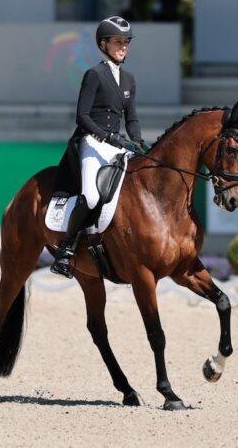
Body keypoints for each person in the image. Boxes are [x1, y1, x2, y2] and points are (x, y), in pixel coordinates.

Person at [50, 16, 148, 278]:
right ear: (103, 44)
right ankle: (67, 250)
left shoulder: (129, 79)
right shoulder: (94, 74)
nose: (123, 46)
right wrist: (107, 136)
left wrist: (138, 142)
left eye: (126, 42)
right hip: (92, 142)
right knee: (92, 196)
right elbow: (82, 116)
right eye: (118, 42)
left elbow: (132, 118)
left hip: (118, 146)